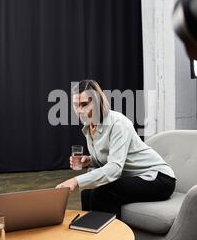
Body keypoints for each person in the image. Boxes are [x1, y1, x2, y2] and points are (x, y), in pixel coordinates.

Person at [56, 80, 176, 218]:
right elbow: (108, 158)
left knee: (103, 191)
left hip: (159, 179)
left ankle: (110, 237)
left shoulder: (118, 123)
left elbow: (114, 168)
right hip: (135, 177)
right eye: (76, 105)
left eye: (84, 104)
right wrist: (89, 161)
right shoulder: (89, 126)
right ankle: (90, 232)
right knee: (87, 191)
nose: (79, 111)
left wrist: (76, 180)